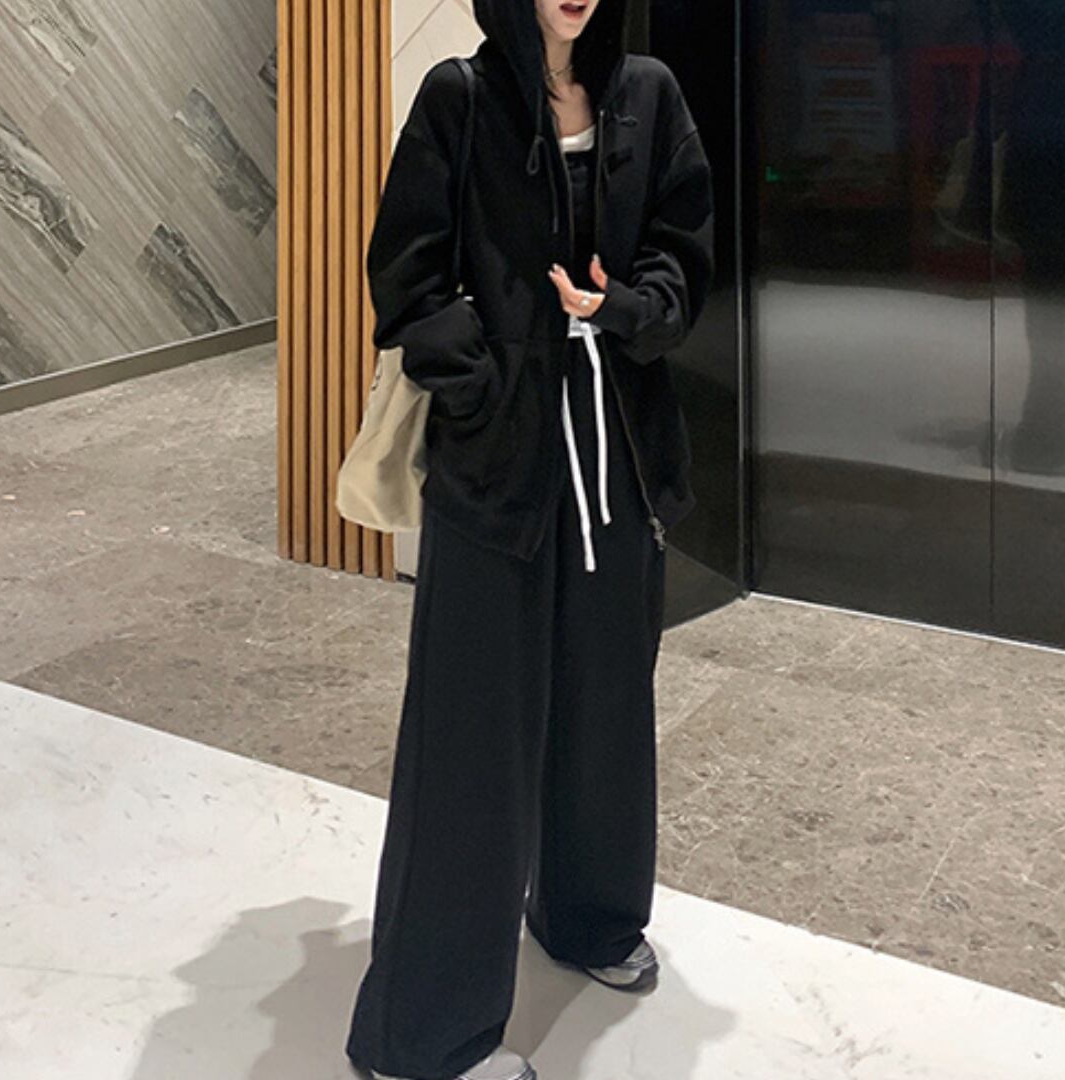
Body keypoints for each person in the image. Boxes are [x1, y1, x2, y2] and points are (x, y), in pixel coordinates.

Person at [346, 1, 715, 1077]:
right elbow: (406, 278)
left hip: (619, 463)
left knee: (606, 708)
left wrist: (627, 309)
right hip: (496, 473)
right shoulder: (460, 98)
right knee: (470, 740)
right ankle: (422, 1034)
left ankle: (588, 918)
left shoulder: (648, 95)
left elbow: (683, 257)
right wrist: (487, 386)